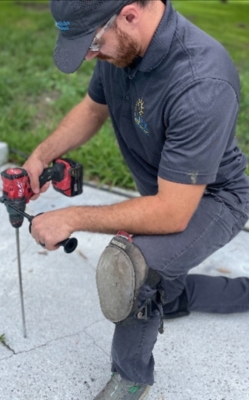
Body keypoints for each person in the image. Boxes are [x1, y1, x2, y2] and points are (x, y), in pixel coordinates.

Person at [22, 0, 249, 398]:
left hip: (213, 199)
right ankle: (174, 297)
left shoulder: (201, 81)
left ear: (130, 14)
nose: (91, 54)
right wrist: (41, 156)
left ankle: (130, 377)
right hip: (167, 190)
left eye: (93, 42)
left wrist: (71, 217)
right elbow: (93, 109)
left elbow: (172, 213)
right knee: (168, 293)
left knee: (132, 268)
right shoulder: (121, 46)